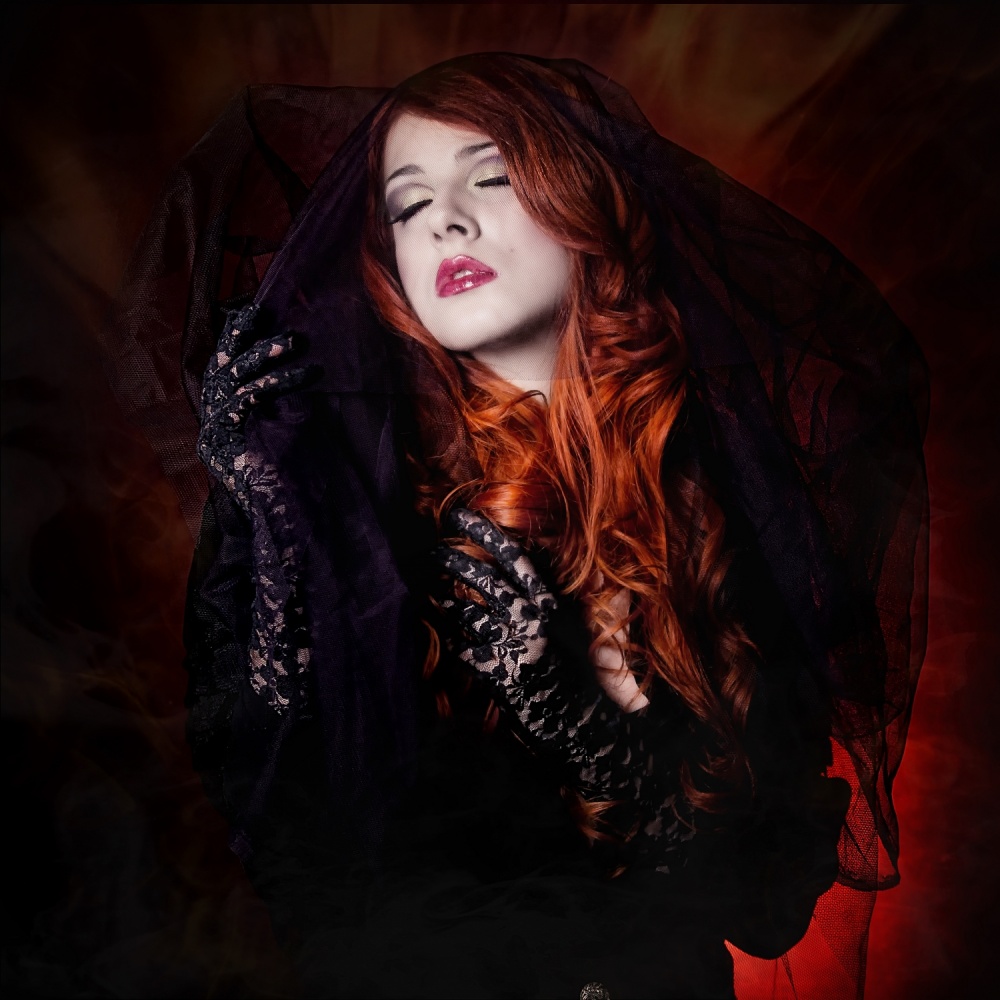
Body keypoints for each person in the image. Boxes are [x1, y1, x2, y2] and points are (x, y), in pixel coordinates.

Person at [107, 54, 928, 999]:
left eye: (490, 178)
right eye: (408, 205)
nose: (445, 222)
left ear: (585, 201)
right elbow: (293, 845)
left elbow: (767, 908)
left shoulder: (725, 493)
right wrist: (268, 511)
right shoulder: (366, 501)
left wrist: (584, 729)